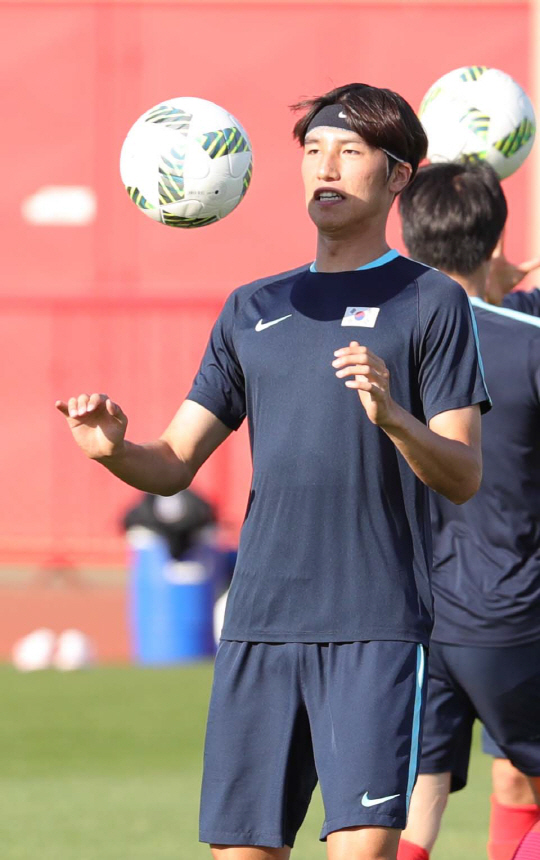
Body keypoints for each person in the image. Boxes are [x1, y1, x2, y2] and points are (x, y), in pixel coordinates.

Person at [55, 83, 489, 860]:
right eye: (313, 150)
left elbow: (462, 473)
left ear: (397, 178)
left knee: (359, 851)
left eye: (350, 151)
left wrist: (394, 419)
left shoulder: (430, 303)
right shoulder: (252, 307)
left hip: (376, 628)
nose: (325, 166)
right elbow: (174, 461)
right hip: (257, 625)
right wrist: (116, 448)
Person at [397, 161, 540, 860]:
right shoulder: (528, 345)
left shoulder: (382, 347)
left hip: (412, 618)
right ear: (495, 243)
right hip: (515, 612)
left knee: (415, 802)